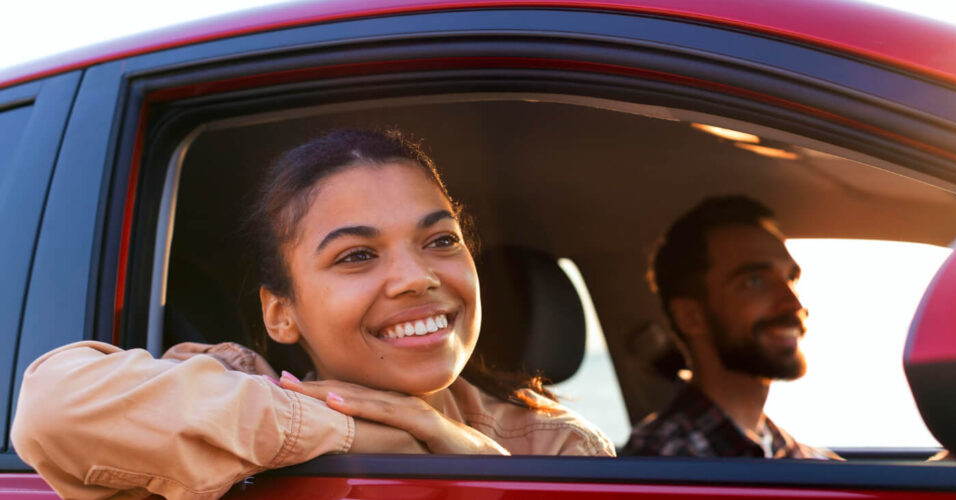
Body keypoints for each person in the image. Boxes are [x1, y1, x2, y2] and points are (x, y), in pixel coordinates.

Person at [11, 129, 614, 500]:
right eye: (357, 255)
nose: (418, 277)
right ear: (281, 314)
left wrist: (487, 474)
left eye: (441, 241)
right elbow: (51, 407)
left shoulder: (557, 447)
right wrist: (367, 438)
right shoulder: (237, 387)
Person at [623, 196, 838, 459]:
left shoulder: (790, 452)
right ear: (691, 317)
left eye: (790, 278)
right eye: (755, 281)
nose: (794, 304)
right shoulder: (666, 461)